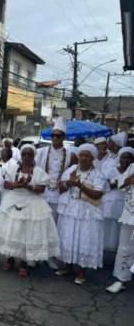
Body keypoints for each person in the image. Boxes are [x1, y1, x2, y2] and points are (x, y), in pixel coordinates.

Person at [0, 144, 60, 278]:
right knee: (12, 232)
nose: (26, 157)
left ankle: (23, 263)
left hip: (32, 202)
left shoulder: (38, 171)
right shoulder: (12, 168)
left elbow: (41, 189)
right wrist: (17, 185)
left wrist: (29, 186)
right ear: (21, 156)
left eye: (29, 154)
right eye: (24, 154)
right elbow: (7, 185)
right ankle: (10, 259)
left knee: (27, 234)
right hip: (12, 201)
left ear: (33, 157)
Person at [56, 144, 106, 284]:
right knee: (69, 236)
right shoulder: (71, 169)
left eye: (86, 156)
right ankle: (68, 266)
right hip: (71, 208)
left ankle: (82, 272)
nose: (83, 158)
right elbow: (60, 188)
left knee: (84, 238)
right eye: (81, 155)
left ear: (92, 158)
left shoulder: (98, 174)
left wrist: (80, 185)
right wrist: (68, 184)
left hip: (87, 212)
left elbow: (97, 194)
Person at [35, 117, 76, 270]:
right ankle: (36, 255)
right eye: (52, 135)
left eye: (58, 136)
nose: (54, 138)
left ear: (63, 138)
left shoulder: (71, 155)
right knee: (39, 224)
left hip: (58, 195)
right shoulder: (41, 152)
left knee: (53, 227)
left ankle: (50, 257)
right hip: (42, 193)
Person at [107, 147, 134, 293]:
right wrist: (128, 181)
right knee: (126, 247)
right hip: (130, 212)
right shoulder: (132, 167)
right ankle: (121, 280)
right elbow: (120, 186)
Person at [102, 147, 134, 251]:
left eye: (129, 158)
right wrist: (116, 183)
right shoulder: (112, 170)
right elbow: (104, 185)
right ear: (119, 158)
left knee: (120, 228)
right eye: (123, 157)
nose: (126, 160)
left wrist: (118, 183)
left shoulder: (131, 172)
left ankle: (117, 249)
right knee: (107, 227)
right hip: (109, 202)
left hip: (125, 202)